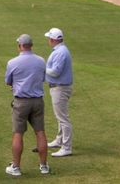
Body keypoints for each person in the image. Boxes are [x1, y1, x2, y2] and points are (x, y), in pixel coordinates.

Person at [5, 34, 50, 176]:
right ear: (31, 45)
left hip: (21, 102)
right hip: (37, 101)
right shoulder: (41, 61)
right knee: (40, 132)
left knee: (18, 134)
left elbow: (8, 81)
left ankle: (16, 167)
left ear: (20, 46)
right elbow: (42, 78)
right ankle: (43, 166)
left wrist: (16, 85)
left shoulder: (13, 62)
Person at [44, 27, 73, 157]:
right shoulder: (59, 50)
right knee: (60, 117)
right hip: (58, 87)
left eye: (49, 38)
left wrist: (43, 68)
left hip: (60, 87)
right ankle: (60, 140)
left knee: (63, 119)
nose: (48, 40)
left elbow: (55, 72)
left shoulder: (60, 52)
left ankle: (66, 147)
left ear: (53, 40)